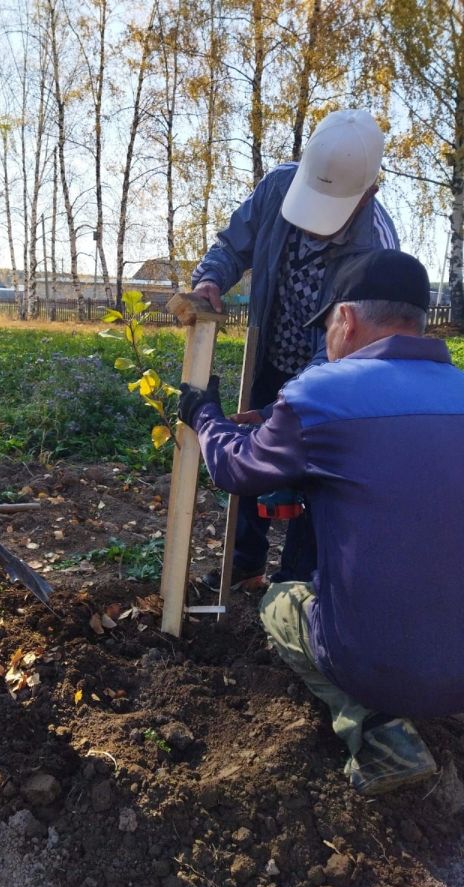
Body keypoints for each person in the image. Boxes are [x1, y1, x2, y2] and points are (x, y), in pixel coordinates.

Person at [178, 248, 464, 795]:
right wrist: (272, 423)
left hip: (383, 668)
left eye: (327, 329)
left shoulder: (320, 392)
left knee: (280, 601)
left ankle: (377, 730)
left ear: (346, 320)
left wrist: (204, 416)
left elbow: (237, 469)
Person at [191, 108, 399, 591]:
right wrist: (210, 278)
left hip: (330, 380)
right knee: (254, 458)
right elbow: (232, 245)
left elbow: (352, 349)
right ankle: (245, 564)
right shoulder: (277, 187)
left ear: (369, 192)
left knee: (316, 472)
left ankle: (295, 582)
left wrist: (282, 411)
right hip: (270, 355)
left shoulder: (378, 248)